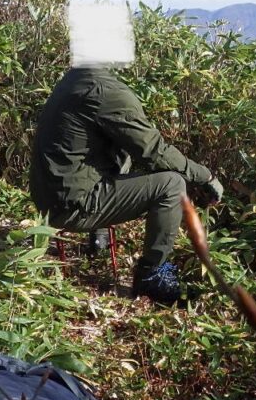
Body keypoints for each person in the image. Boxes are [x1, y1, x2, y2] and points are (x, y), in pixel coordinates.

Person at [30, 65, 223, 303]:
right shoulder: (104, 90)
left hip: (49, 198)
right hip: (71, 205)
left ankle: (98, 235)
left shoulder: (76, 77)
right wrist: (205, 177)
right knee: (171, 185)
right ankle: (152, 277)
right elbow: (153, 151)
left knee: (121, 149)